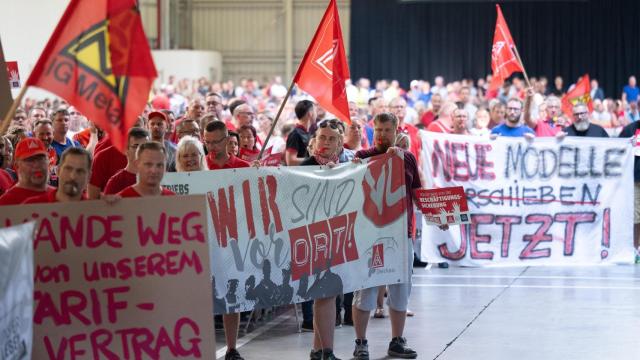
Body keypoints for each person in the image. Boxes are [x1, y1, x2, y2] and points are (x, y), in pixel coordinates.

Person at [351, 112, 446, 360]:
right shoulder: (362, 157)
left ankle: (397, 340)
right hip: (370, 235)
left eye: (386, 130)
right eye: (378, 130)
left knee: (401, 290)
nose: (382, 134)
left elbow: (417, 193)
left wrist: (438, 217)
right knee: (366, 291)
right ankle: (360, 342)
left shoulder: (408, 159)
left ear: (396, 131)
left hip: (401, 234)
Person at [297, 118, 348, 360]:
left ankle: (317, 350)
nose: (326, 143)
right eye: (322, 138)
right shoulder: (305, 166)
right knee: (325, 294)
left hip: (339, 238)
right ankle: (326, 351)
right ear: (315, 140)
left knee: (328, 295)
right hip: (312, 239)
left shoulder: (348, 166)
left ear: (340, 144)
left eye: (332, 139)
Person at [24, 147, 92, 203]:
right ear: (58, 171)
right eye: (68, 169)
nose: (73, 176)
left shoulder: (96, 210)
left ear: (89, 177)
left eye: (80, 171)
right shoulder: (33, 206)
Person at [0, 138, 54, 205]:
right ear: (17, 166)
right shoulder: (6, 203)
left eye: (41, 159)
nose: (37, 165)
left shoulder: (59, 197)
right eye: (30, 160)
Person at [104, 128, 150, 194]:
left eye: (145, 147)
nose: (141, 151)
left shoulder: (154, 179)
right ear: (126, 150)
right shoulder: (115, 182)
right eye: (136, 146)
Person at [619, 120, 640, 263]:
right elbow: (616, 149)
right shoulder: (630, 129)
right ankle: (635, 248)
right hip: (635, 179)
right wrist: (627, 146)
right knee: (636, 216)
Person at [286, 100, 316, 166]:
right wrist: (314, 160)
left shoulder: (309, 132)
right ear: (310, 113)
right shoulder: (295, 134)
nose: (316, 114)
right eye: (315, 111)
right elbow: (290, 161)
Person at [33, 119, 59, 186]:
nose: (45, 137)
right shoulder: (28, 157)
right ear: (34, 134)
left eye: (48, 133)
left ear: (53, 134)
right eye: (41, 134)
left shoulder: (56, 154)